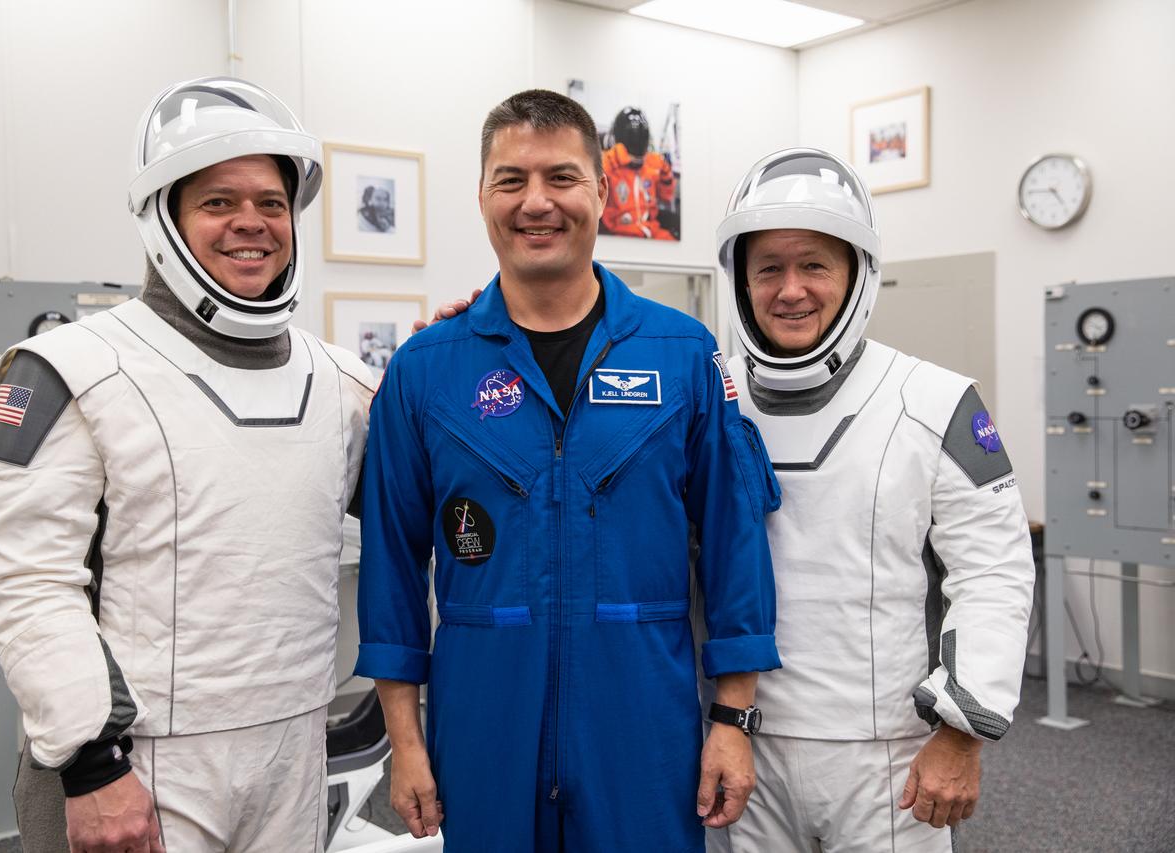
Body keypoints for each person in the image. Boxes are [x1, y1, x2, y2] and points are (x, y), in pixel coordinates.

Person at [354, 88, 780, 853]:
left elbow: (734, 548)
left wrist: (732, 720)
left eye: (560, 177)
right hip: (483, 721)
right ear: (482, 196)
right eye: (511, 180)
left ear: (603, 192)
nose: (536, 202)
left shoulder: (681, 355)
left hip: (642, 723)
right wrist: (406, 740)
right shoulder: (425, 370)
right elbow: (389, 566)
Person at [0, 77, 373, 852]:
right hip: (135, 768)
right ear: (166, 218)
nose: (251, 222)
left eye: (271, 202)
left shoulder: (341, 383)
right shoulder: (71, 369)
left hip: (290, 748)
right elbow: (24, 577)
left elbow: (440, 491)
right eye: (218, 201)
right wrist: (91, 768)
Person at [708, 148, 1035, 852]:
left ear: (858, 273)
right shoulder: (707, 396)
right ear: (741, 280)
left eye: (814, 265)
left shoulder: (937, 400)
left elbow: (995, 570)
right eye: (769, 267)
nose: (790, 289)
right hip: (740, 737)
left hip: (887, 755)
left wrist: (962, 731)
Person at [599, 106, 677, 240]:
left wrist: (665, 174)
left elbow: (666, 197)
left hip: (651, 230)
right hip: (620, 233)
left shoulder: (652, 165)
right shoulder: (608, 163)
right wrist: (611, 160)